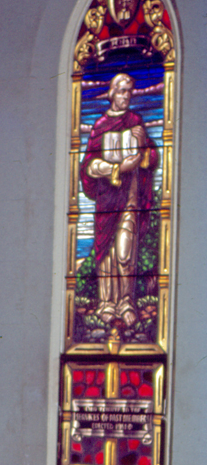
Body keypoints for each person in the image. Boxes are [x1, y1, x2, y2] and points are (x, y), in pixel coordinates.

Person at [80, 73, 158, 327]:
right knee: (106, 254)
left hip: (131, 197)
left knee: (126, 250)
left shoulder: (136, 121)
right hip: (107, 199)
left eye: (129, 92)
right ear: (111, 93)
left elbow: (153, 157)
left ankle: (126, 301)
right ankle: (107, 303)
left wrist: (142, 146)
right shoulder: (100, 125)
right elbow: (88, 167)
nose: (126, 96)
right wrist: (115, 168)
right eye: (122, 91)